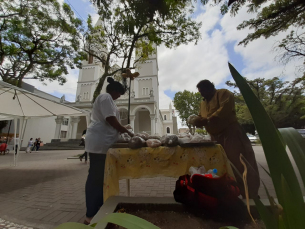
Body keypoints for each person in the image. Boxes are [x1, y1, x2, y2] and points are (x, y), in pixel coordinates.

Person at [194, 80, 260, 199]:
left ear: (210, 88)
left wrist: (208, 119)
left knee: (239, 162)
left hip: (231, 133)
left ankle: (250, 194)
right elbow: (201, 116)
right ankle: (230, 191)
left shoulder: (223, 94)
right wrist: (197, 120)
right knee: (221, 164)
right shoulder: (203, 103)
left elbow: (224, 109)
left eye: (202, 91)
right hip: (215, 136)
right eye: (200, 92)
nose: (201, 95)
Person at [84, 77, 134, 225]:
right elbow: (110, 119)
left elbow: (112, 120)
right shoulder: (105, 97)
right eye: (119, 93)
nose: (119, 96)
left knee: (101, 178)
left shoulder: (110, 101)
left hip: (104, 142)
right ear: (114, 90)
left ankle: (98, 208)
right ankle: (90, 215)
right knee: (96, 178)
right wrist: (128, 132)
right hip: (99, 142)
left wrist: (124, 131)